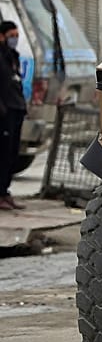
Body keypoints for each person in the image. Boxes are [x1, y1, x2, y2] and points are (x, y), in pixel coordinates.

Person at [0, 21, 27, 210]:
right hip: (4, 111)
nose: (14, 39)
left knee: (12, 153)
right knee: (2, 153)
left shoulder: (13, 57)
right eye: (11, 35)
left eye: (16, 35)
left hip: (16, 108)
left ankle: (5, 191)